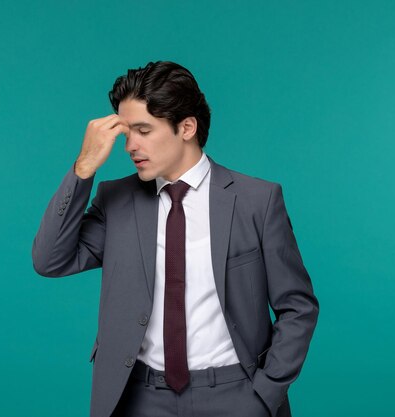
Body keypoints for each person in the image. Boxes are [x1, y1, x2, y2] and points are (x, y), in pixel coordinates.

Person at [32, 61, 319, 417]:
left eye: (143, 130)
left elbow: (298, 306)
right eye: (126, 134)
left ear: (186, 127)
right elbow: (50, 260)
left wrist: (265, 393)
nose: (130, 147)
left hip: (235, 395)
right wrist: (84, 167)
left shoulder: (256, 201)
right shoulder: (116, 200)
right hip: (139, 397)